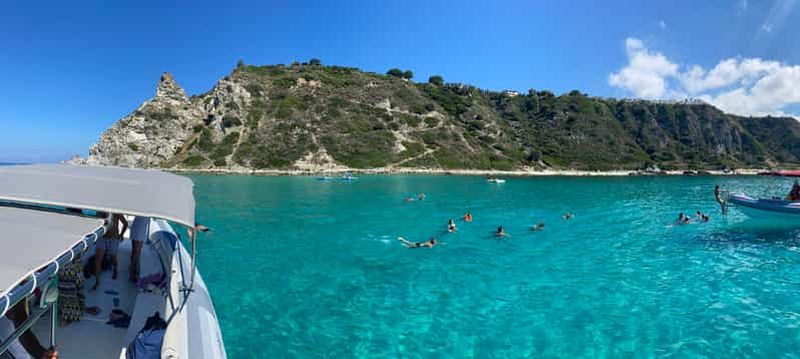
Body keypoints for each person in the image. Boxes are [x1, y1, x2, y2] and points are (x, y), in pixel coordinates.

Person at [93, 213, 128, 290]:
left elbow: (125, 223)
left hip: (113, 238)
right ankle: (97, 282)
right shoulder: (100, 211)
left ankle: (115, 269)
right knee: (97, 260)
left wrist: (121, 235)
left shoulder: (116, 212)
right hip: (101, 238)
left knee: (113, 259)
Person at [129, 216, 150, 283]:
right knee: (136, 253)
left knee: (136, 253)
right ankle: (132, 274)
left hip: (140, 228)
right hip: (139, 229)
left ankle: (133, 273)